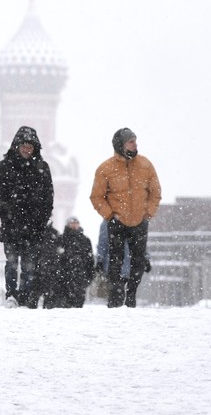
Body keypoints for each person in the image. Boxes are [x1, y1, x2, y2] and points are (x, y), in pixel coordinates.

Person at [90, 128, 161, 308]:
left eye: (135, 141)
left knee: (138, 261)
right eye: (131, 141)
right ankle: (116, 295)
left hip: (139, 221)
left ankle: (131, 295)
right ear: (120, 145)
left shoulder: (145, 165)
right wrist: (110, 215)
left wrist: (147, 214)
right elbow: (96, 197)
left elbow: (155, 193)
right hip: (117, 222)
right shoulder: (106, 168)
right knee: (115, 261)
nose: (135, 144)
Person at [0, 126, 54, 309]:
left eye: (30, 146)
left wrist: (41, 220)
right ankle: (11, 296)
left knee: (29, 265)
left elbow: (48, 197)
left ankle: (25, 298)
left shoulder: (42, 168)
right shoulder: (4, 166)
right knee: (11, 263)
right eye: (24, 146)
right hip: (11, 225)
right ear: (17, 146)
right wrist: (7, 215)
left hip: (34, 227)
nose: (27, 150)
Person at [56, 217, 95, 308]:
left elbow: (90, 260)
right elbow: (57, 258)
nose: (74, 225)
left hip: (80, 277)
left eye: (76, 223)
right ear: (67, 224)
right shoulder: (61, 239)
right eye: (72, 223)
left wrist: (89, 276)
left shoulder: (85, 240)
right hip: (64, 278)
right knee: (64, 306)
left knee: (78, 305)